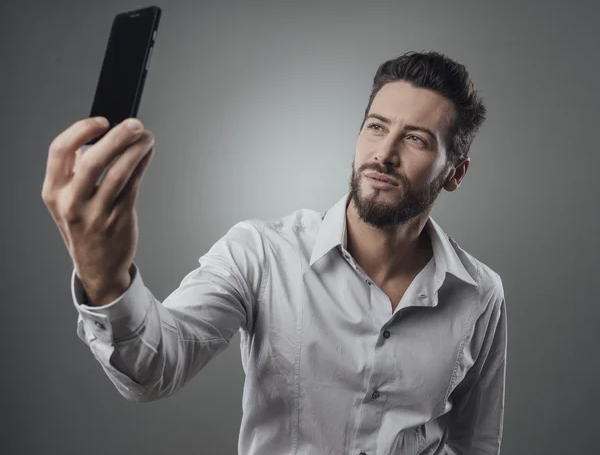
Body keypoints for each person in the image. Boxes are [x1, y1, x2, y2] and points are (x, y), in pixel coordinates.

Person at [42, 51, 507, 455]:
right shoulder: (261, 253)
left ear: (455, 172)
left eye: (415, 139)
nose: (383, 154)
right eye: (376, 127)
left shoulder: (480, 294)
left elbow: (476, 444)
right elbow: (154, 368)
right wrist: (106, 279)